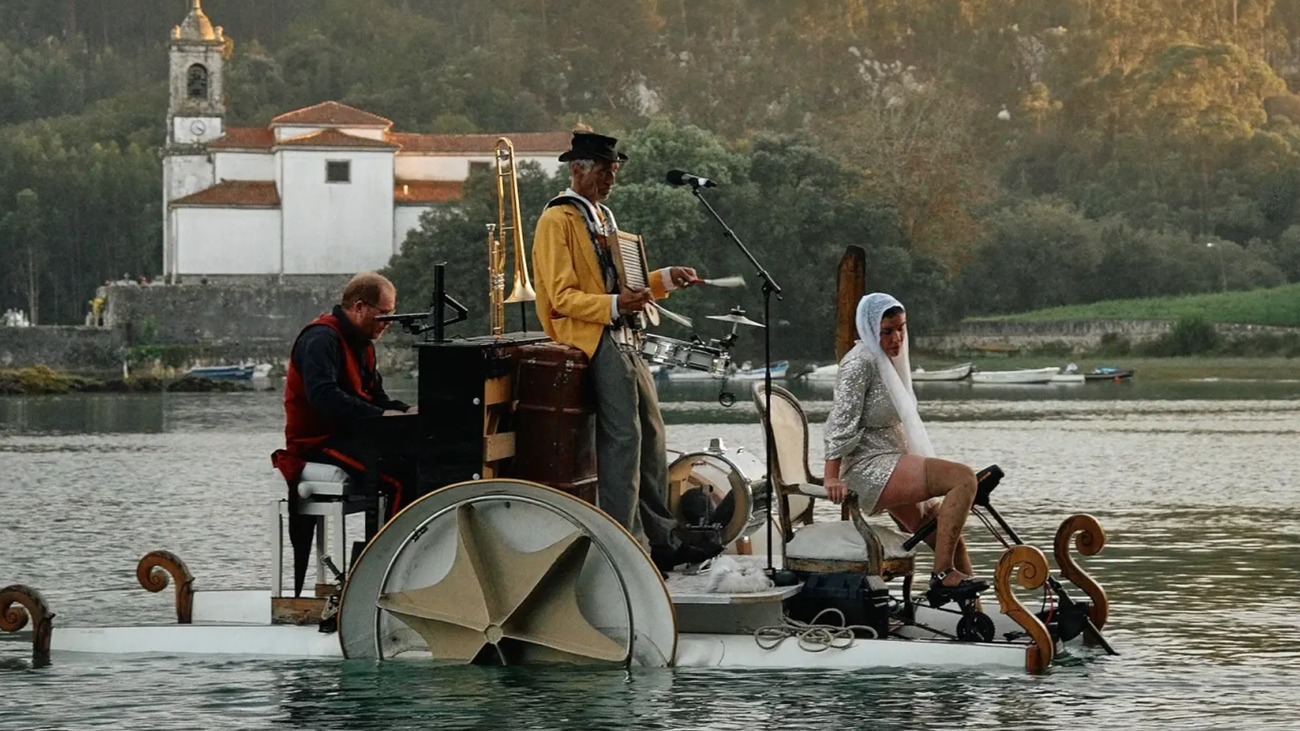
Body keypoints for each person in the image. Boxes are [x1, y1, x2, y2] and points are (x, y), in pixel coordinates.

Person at [531, 129, 715, 573]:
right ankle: (627, 542)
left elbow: (620, 287)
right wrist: (616, 304)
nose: (611, 179)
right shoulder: (558, 219)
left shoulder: (603, 217)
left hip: (624, 334)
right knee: (623, 441)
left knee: (651, 437)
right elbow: (560, 297)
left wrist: (664, 279)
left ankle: (662, 538)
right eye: (605, 171)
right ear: (578, 169)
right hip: (589, 337)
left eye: (613, 170)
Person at [822, 293, 987, 605]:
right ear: (871, 330)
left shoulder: (890, 361)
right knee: (963, 479)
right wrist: (830, 477)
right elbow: (839, 424)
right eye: (887, 331)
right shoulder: (859, 364)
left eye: (901, 328)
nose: (897, 338)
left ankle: (975, 616)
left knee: (948, 538)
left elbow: (895, 422)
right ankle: (942, 577)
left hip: (892, 458)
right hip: (866, 467)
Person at [271, 271, 416, 597]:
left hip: (349, 438)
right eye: (385, 314)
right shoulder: (320, 339)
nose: (389, 322)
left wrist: (406, 410)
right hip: (317, 444)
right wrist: (381, 414)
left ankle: (401, 568)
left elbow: (375, 398)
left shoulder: (363, 345)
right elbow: (324, 398)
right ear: (360, 307)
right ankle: (378, 576)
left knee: (418, 461)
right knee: (399, 477)